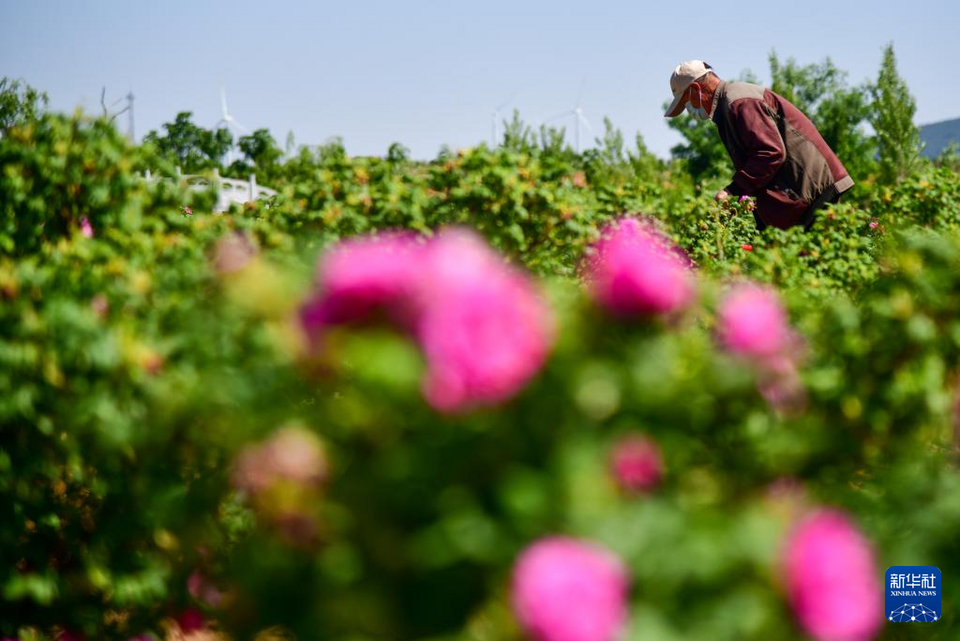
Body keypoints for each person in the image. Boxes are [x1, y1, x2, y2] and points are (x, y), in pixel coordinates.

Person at [664, 60, 853, 231]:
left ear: (697, 88)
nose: (689, 110)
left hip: (814, 188)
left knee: (812, 262)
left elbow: (770, 152)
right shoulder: (728, 105)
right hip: (804, 191)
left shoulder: (739, 102)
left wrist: (733, 190)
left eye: (686, 102)